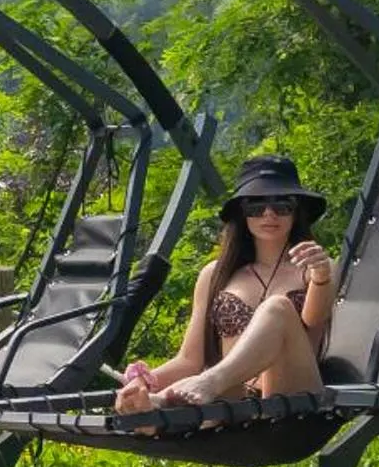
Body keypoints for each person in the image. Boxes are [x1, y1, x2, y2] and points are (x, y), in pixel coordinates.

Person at [113, 155, 339, 414]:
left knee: (277, 307)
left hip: (294, 397)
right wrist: (144, 381)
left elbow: (314, 321)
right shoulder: (215, 274)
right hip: (235, 397)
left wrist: (321, 275)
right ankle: (156, 404)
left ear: (297, 210)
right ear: (242, 213)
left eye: (282, 204)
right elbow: (189, 360)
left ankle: (208, 382)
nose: (269, 213)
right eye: (256, 205)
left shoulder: (316, 268)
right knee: (149, 407)